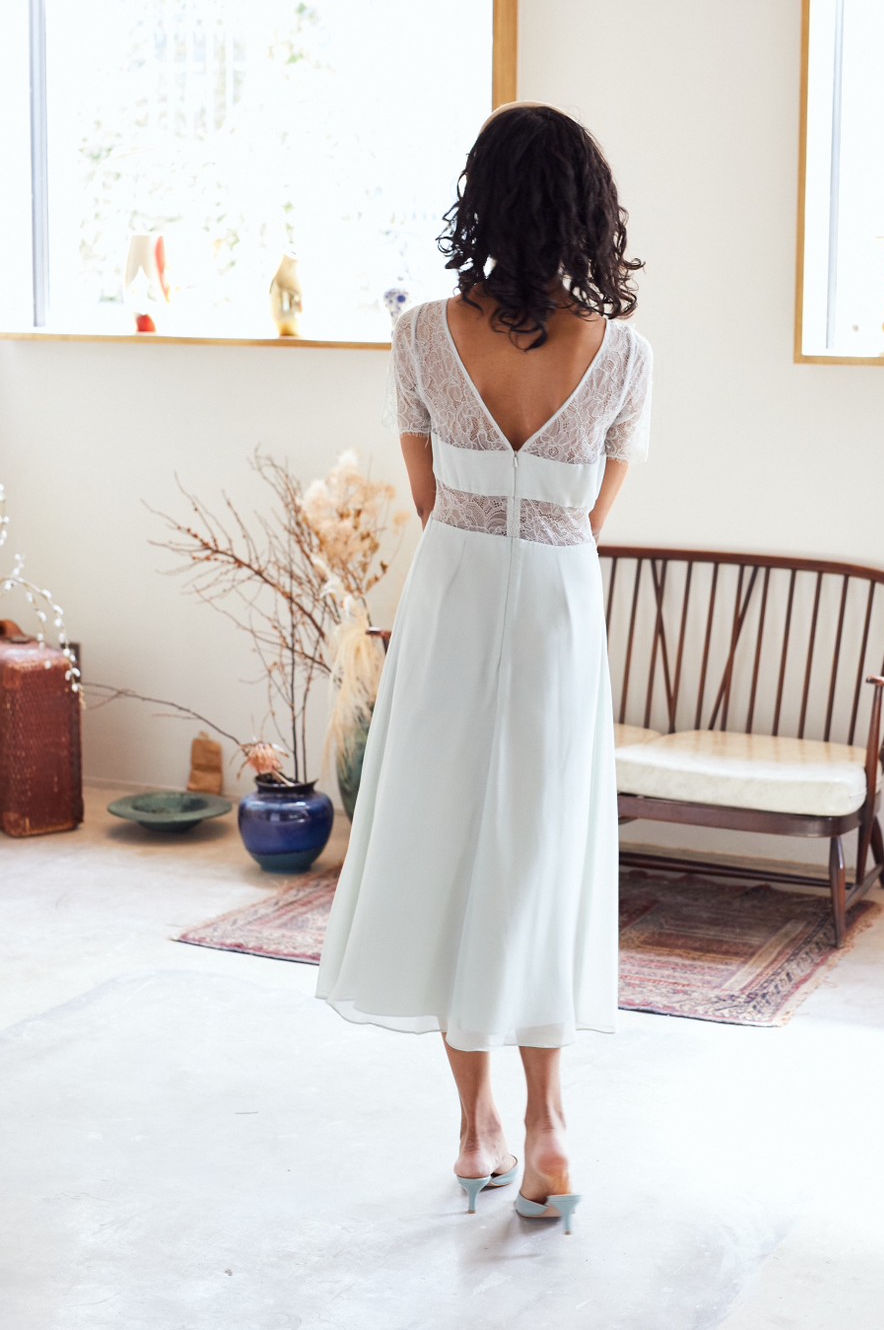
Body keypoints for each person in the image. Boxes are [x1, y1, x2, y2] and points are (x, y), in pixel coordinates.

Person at [314, 101, 653, 1235]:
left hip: (452, 602)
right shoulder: (624, 357)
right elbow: (588, 519)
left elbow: (429, 499)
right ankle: (550, 1132)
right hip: (554, 612)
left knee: (448, 847)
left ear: (483, 203)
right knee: (539, 858)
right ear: (588, 211)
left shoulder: (420, 336)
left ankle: (475, 1129)